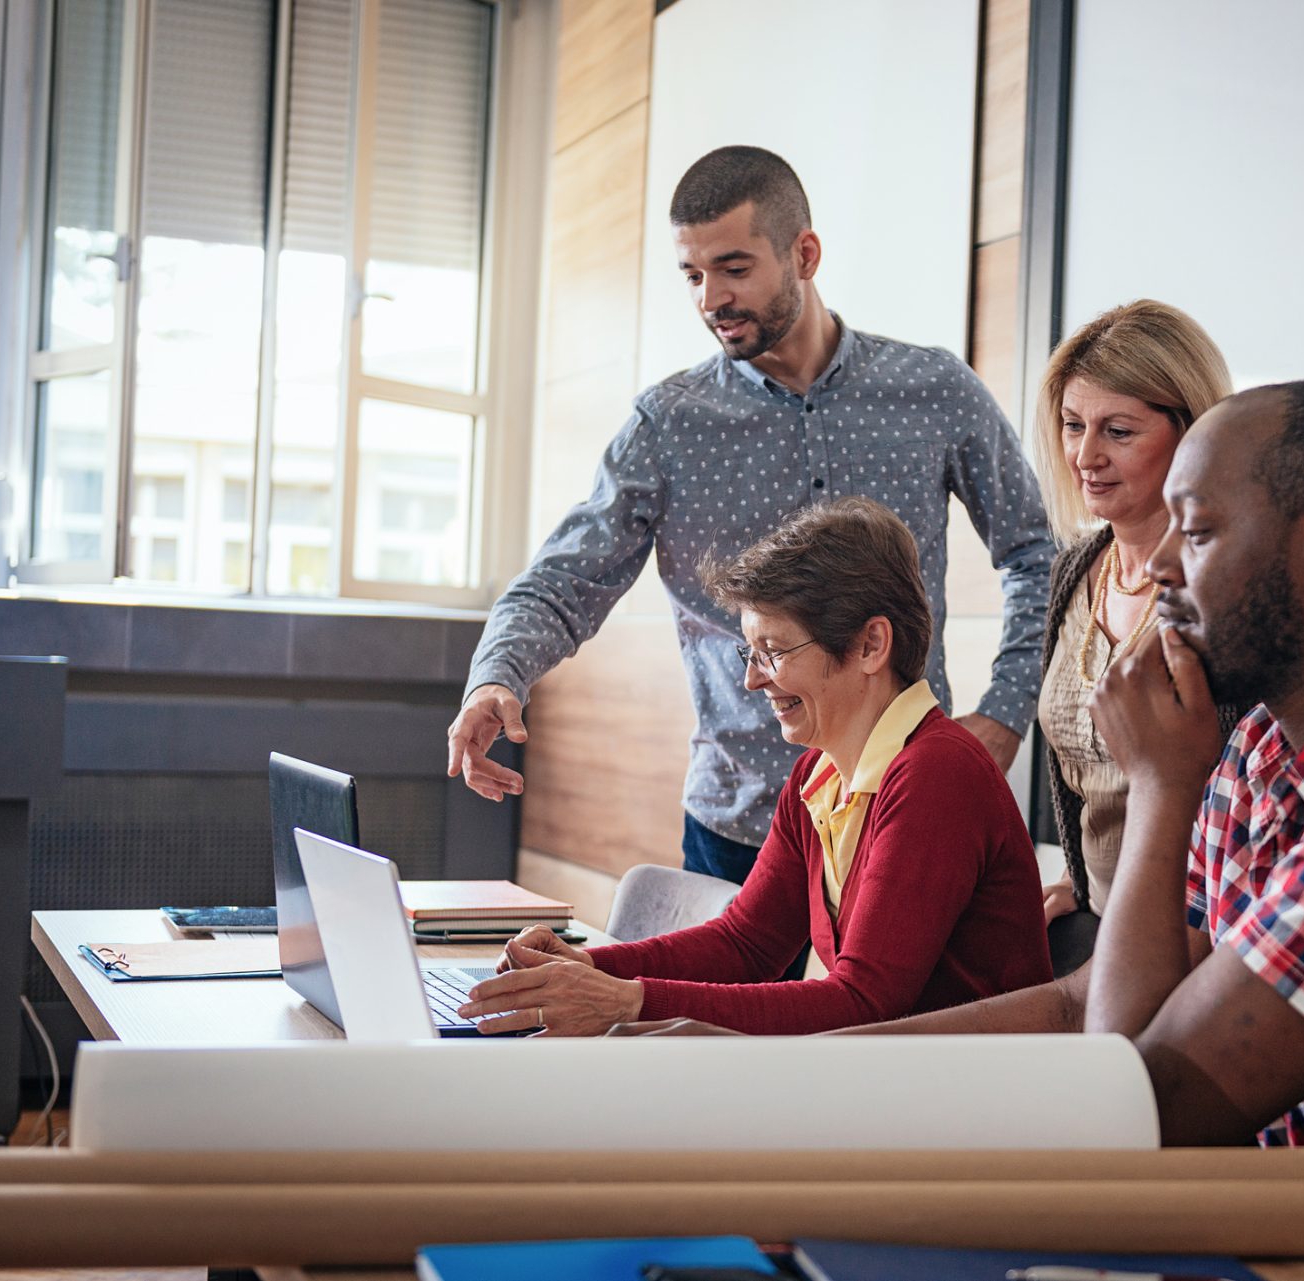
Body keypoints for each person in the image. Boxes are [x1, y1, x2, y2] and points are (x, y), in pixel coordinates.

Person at [641, 383, 1304, 1278]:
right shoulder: (1272, 751)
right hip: (1284, 1233)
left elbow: (1145, 1096)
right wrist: (774, 1069)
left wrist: (1159, 789)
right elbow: (1081, 1008)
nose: (1163, 572)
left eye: (1198, 529)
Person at [446, 146, 1054, 887]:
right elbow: (563, 581)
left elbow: (1034, 554)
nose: (711, 299)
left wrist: (1006, 712)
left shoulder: (934, 390)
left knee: (897, 1010)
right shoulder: (667, 424)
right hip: (741, 827)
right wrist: (495, 677)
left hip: (908, 811)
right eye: (693, 275)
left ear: (805, 253)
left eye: (734, 268)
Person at [454, 498, 1053, 1036]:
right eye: (751, 650)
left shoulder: (936, 774)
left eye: (774, 651)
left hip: (966, 1100)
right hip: (891, 1082)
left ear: (871, 645)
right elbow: (747, 944)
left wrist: (625, 1001)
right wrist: (583, 965)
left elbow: (864, 1004)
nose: (751, 678)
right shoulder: (817, 775)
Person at [1029, 301, 1233, 926]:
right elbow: (1079, 780)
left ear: (1194, 432)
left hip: (1199, 933)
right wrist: (1077, 877)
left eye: (1118, 431)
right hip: (1100, 919)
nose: (1085, 455)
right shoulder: (1075, 571)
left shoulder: (1229, 582)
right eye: (1071, 425)